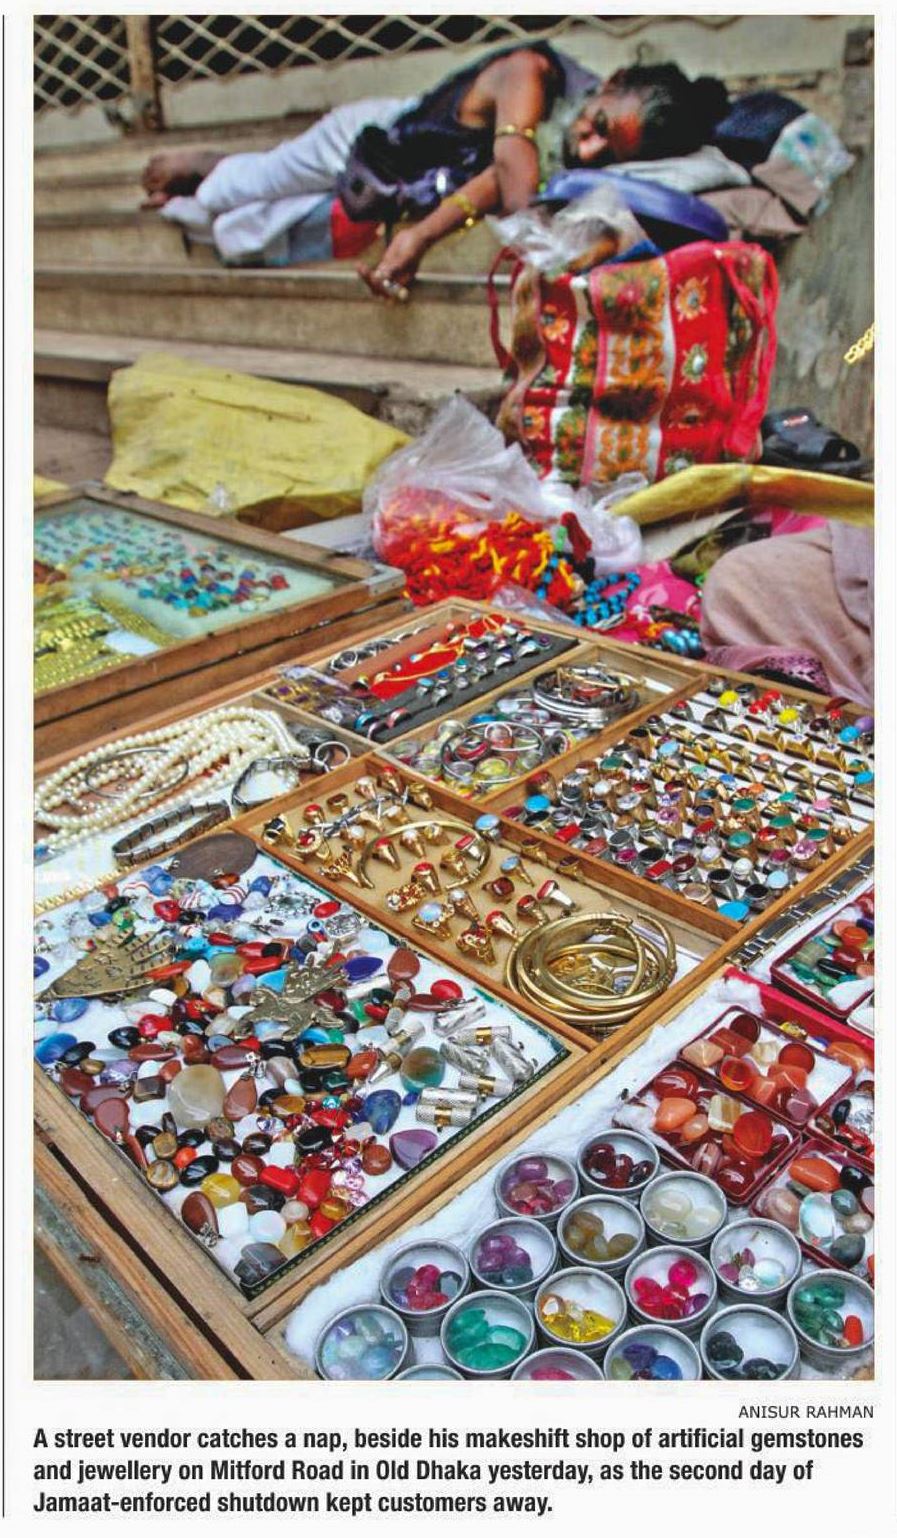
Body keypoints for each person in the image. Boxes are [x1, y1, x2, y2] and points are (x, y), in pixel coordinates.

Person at [142, 48, 728, 298]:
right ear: (610, 82)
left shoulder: (565, 143)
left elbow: (493, 182)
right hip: (366, 141)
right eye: (598, 125)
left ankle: (192, 195)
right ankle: (196, 166)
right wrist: (550, 238)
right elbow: (512, 171)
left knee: (242, 230)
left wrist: (419, 238)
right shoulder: (529, 71)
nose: (589, 147)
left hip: (394, 190)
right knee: (239, 189)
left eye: (608, 152)